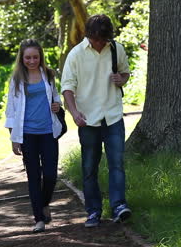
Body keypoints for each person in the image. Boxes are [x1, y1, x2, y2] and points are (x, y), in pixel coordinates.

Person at [61, 14, 132, 228]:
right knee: (89, 167)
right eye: (97, 39)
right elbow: (67, 87)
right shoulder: (75, 55)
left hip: (112, 116)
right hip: (88, 119)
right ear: (89, 35)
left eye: (104, 39)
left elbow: (125, 73)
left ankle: (119, 206)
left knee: (117, 165)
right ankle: (93, 211)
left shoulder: (116, 49)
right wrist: (74, 113)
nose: (101, 43)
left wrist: (122, 79)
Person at [4, 39, 63, 233]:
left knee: (50, 175)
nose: (31, 61)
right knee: (33, 176)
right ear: (22, 58)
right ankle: (38, 218)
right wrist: (14, 137)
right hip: (27, 134)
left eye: (35, 57)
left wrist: (57, 104)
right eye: (28, 57)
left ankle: (44, 203)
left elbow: (55, 97)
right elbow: (11, 109)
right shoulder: (17, 79)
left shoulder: (48, 74)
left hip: (48, 132)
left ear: (40, 57)